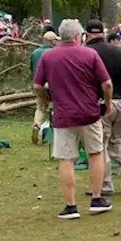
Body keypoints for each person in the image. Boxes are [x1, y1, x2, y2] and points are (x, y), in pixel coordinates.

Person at [33, 19, 113, 219]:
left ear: (61, 36)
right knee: (95, 154)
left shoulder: (48, 56)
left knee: (65, 159)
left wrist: (47, 99)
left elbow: (37, 86)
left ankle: (70, 206)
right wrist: (108, 104)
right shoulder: (90, 54)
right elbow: (107, 83)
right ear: (78, 36)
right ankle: (96, 199)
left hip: (63, 114)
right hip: (89, 113)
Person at [84, 19, 121, 194]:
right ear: (103, 32)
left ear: (87, 34)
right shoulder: (119, 52)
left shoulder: (86, 52)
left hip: (102, 103)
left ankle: (104, 184)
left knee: (99, 144)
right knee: (116, 140)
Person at [29, 30, 58, 143]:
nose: (56, 42)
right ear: (51, 41)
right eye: (55, 40)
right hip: (52, 86)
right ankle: (51, 132)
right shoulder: (54, 52)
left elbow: (31, 68)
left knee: (40, 108)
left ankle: (37, 125)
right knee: (54, 108)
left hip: (38, 84)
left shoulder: (35, 52)